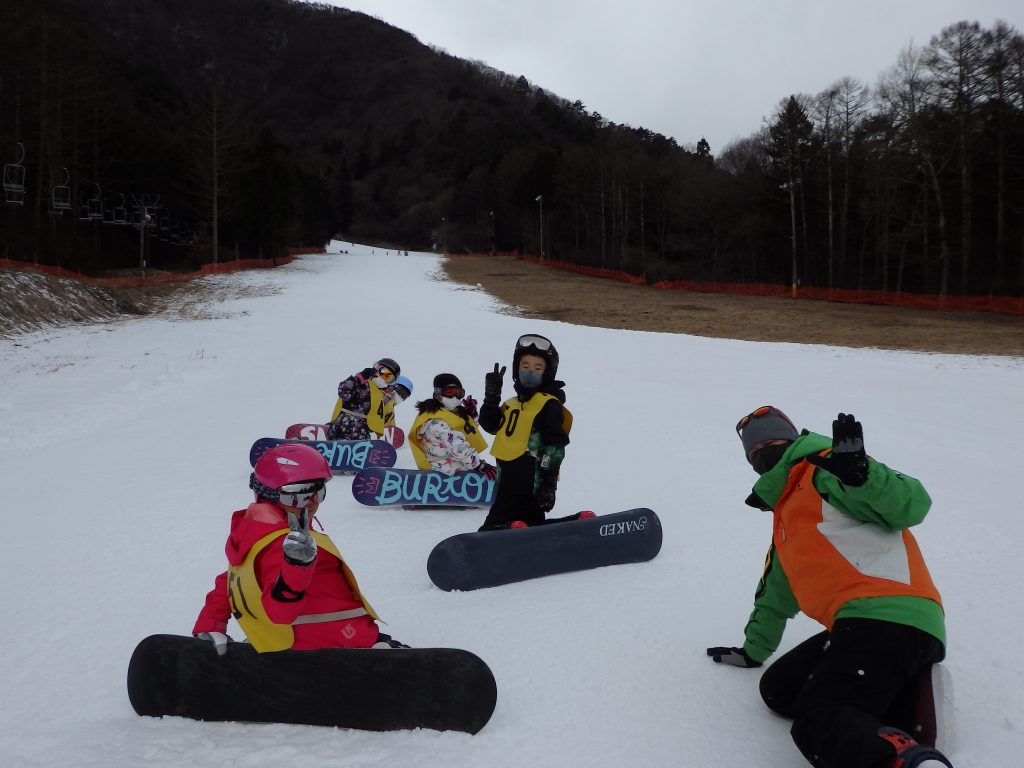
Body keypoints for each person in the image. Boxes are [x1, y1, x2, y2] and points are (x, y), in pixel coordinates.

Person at [707, 406, 952, 768]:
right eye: (754, 452)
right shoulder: (787, 517)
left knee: (819, 713)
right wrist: (752, 651)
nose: (762, 453)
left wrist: (863, 476)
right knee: (778, 689)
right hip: (859, 625)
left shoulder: (826, 470)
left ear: (790, 441)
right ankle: (902, 692)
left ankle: (902, 759)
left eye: (771, 442)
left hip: (888, 612)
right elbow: (775, 595)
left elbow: (911, 504)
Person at [193, 443, 406, 652]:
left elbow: (234, 578)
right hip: (332, 645)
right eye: (299, 493)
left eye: (319, 491)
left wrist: (211, 621)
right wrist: (296, 566)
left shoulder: (257, 529)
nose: (313, 502)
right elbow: (279, 613)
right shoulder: (281, 545)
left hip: (305, 636)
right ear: (269, 494)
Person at [477, 333, 588, 530]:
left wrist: (549, 483)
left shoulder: (547, 404)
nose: (530, 372)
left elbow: (555, 445)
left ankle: (507, 531)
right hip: (508, 474)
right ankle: (575, 523)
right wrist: (491, 398)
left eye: (538, 368)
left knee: (494, 524)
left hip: (528, 476)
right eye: (525, 367)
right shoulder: (512, 403)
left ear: (547, 373)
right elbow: (491, 425)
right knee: (534, 523)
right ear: (516, 369)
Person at [409, 373, 495, 477]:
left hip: (454, 467)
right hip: (443, 473)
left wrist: (471, 416)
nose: (455, 397)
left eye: (459, 393)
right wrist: (480, 465)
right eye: (449, 392)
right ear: (437, 394)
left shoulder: (450, 413)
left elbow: (466, 432)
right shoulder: (437, 419)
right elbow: (458, 446)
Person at [326, 357, 401, 441]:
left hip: (360, 434)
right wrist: (358, 378)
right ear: (376, 368)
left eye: (389, 378)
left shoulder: (380, 395)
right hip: (343, 427)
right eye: (383, 372)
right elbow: (343, 391)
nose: (383, 378)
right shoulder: (362, 385)